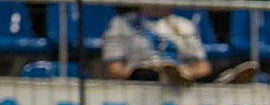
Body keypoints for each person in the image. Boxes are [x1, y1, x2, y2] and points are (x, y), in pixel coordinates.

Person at [102, 3, 257, 84]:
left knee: (210, 72)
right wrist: (141, 73)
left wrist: (185, 72)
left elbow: (203, 66)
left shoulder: (184, 25)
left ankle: (225, 81)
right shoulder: (120, 24)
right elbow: (113, 69)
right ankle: (218, 83)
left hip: (181, 75)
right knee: (147, 74)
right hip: (142, 75)